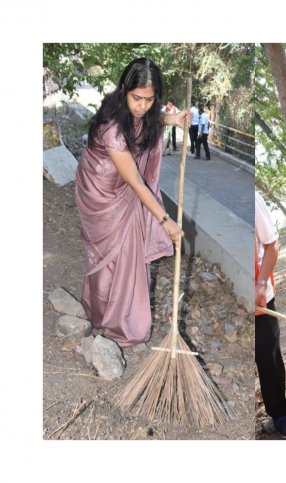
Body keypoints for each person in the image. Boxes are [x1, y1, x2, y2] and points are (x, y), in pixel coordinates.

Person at [75, 57, 188, 347]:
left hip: (122, 185)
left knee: (124, 256)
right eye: (137, 98)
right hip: (100, 191)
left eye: (150, 100)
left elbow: (146, 119)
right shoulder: (112, 127)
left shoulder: (142, 112)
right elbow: (137, 182)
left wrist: (172, 119)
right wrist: (166, 221)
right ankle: (117, 322)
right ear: (125, 90)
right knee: (112, 255)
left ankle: (108, 312)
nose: (142, 105)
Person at [255, 191, 286, 438]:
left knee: (267, 356)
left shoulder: (253, 199)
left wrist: (260, 285)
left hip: (260, 296)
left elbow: (272, 245)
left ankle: (280, 414)